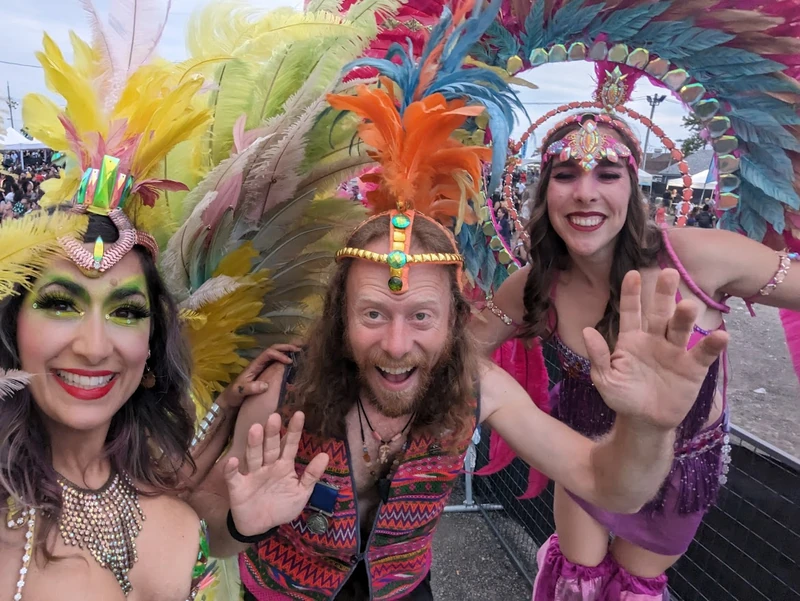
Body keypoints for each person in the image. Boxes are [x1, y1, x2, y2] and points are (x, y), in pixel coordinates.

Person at [189, 6, 728, 599]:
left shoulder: (481, 388)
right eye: (373, 315)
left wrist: (649, 428)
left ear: (454, 321)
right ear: (338, 319)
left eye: (421, 316)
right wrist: (242, 524)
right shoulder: (279, 391)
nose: (397, 347)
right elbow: (216, 537)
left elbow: (609, 485)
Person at [470, 112, 800, 600]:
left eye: (607, 174)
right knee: (576, 584)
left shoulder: (699, 258)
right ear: (544, 191)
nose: (585, 192)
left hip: (679, 476)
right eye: (565, 175)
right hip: (588, 461)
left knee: (633, 591)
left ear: (633, 188)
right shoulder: (536, 280)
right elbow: (460, 349)